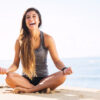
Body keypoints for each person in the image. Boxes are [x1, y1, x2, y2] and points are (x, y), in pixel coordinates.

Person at [0, 7, 72, 93]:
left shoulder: (47, 38)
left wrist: (64, 69)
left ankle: (30, 90)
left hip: (44, 80)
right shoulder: (19, 41)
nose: (31, 19)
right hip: (25, 80)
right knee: (9, 77)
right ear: (25, 22)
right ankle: (38, 89)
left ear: (39, 20)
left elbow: (56, 61)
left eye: (34, 16)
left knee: (62, 75)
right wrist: (7, 70)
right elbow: (15, 64)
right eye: (28, 17)